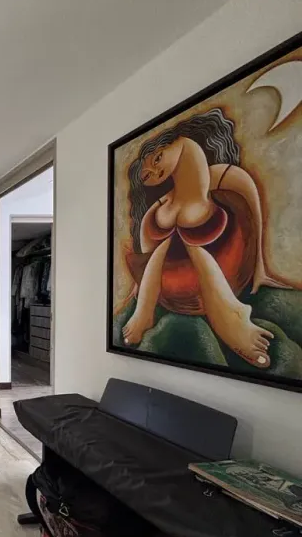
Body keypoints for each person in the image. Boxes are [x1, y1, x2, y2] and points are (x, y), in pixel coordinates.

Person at [120, 109, 290, 368]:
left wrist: (260, 266)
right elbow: (148, 252)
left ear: (175, 141)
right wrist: (140, 287)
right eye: (147, 176)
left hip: (220, 271)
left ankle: (229, 315)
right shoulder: (158, 209)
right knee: (172, 235)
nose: (154, 170)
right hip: (172, 288)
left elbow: (255, 216)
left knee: (189, 224)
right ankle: (145, 311)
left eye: (157, 158)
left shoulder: (223, 176)